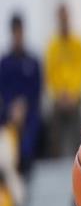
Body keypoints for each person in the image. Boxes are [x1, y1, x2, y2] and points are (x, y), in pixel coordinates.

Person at [0, 14, 42, 173]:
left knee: (28, 143)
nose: (18, 35)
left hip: (30, 115)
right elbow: (3, 92)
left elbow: (37, 91)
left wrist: (24, 108)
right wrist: (12, 110)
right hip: (8, 116)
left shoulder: (33, 62)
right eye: (15, 32)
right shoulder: (4, 63)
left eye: (20, 31)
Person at [45, 3, 81, 157]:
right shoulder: (52, 45)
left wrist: (73, 94)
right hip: (59, 98)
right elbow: (50, 73)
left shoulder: (78, 43)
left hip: (75, 97)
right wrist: (60, 94)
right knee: (54, 132)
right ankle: (55, 160)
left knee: (80, 132)